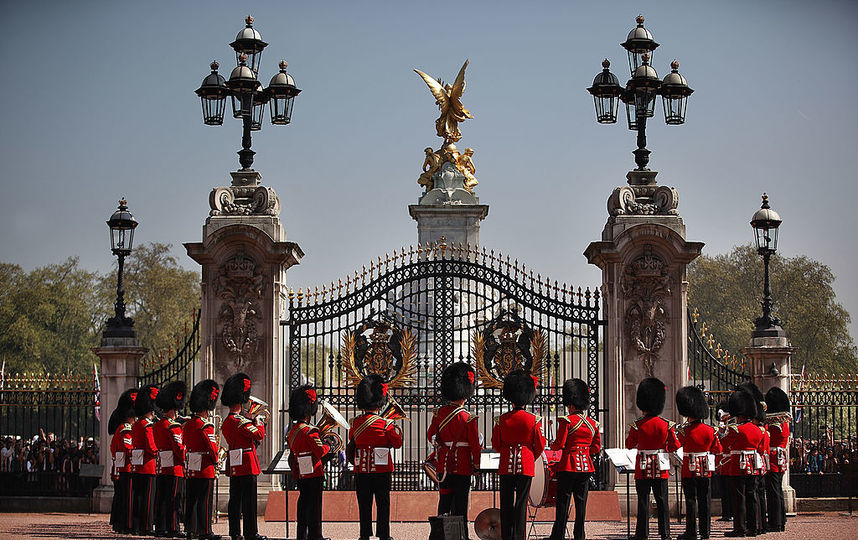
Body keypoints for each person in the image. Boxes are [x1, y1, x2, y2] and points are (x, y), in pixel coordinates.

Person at [491, 369, 546, 540]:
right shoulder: (533, 420)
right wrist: (529, 456)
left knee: (506, 505)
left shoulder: (501, 420)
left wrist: (507, 451)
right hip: (526, 466)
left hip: (506, 464)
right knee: (521, 505)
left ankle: (506, 536)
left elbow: (496, 444)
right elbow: (540, 445)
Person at [349, 374, 403, 540]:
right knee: (383, 504)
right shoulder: (385, 424)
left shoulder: (356, 423)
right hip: (382, 470)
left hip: (362, 470)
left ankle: (364, 535)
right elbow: (397, 443)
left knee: (364, 504)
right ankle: (384, 535)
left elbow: (354, 440)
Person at [625, 377, 680, 540]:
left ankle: (642, 534)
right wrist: (665, 448)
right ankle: (665, 533)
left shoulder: (637, 425)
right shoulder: (666, 425)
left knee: (643, 500)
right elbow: (675, 445)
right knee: (662, 500)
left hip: (642, 467)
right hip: (660, 467)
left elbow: (629, 444)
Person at [426, 362, 482, 519]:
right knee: (460, 505)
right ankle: (461, 535)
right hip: (463, 466)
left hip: (443, 465)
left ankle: (441, 534)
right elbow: (475, 447)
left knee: (444, 502)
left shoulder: (439, 414)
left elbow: (431, 436)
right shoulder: (468, 418)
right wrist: (476, 466)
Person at [547, 378, 601, 540]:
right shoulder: (593, 424)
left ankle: (559, 534)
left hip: (568, 466)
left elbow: (559, 444)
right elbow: (596, 447)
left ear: (570, 403)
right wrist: (584, 452)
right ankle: (580, 535)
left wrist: (552, 444)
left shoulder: (567, 421)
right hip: (586, 467)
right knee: (581, 503)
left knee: (563, 502)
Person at [221, 373, 267, 540]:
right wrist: (259, 420)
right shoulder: (241, 421)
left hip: (234, 463)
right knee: (249, 501)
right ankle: (250, 532)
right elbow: (260, 434)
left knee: (235, 500)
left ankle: (234, 532)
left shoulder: (227, 422)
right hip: (247, 463)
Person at [675, 385, 722, 540]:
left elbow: (673, 446)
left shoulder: (684, 431)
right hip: (705, 468)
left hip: (689, 470)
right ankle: (705, 532)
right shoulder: (710, 430)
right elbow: (718, 449)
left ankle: (691, 532)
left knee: (690, 502)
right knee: (705, 501)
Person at [287, 384, 332, 540]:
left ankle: (302, 534)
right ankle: (315, 535)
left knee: (303, 504)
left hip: (301, 471)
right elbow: (320, 451)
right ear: (308, 409)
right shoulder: (310, 431)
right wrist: (328, 445)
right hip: (314, 471)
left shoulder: (293, 431)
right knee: (314, 506)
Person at [721, 388, 765, 538]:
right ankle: (753, 528)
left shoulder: (736, 430)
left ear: (739, 415)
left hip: (738, 466)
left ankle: (739, 528)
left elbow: (723, 444)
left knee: (739, 497)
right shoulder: (758, 430)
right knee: (751, 496)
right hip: (753, 465)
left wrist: (723, 432)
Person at [184, 379, 221, 540]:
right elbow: (212, 448)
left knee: (191, 499)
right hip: (205, 466)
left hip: (192, 464)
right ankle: (205, 530)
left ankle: (190, 530)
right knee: (204, 500)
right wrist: (216, 460)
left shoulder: (189, 424)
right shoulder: (206, 425)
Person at [154, 380, 187, 538]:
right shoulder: (174, 426)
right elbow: (179, 449)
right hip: (174, 467)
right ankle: (173, 527)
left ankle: (160, 527)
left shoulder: (157, 425)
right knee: (174, 499)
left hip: (161, 466)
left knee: (161, 498)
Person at [130, 384, 160, 536]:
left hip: (137, 465)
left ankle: (136, 525)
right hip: (148, 465)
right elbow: (151, 446)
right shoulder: (147, 425)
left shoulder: (136, 424)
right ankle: (146, 526)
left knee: (138, 497)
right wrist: (158, 452)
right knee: (148, 498)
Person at [739, 382, 768, 535]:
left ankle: (752, 525)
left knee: (750, 495)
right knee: (756, 495)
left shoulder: (742, 429)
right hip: (757, 463)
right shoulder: (760, 430)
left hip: (748, 463)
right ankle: (758, 525)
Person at [109, 388, 137, 534]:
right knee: (126, 498)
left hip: (121, 468)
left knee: (121, 497)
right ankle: (125, 524)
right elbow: (129, 449)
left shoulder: (122, 428)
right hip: (127, 468)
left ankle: (120, 523)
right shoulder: (126, 429)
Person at [765, 386, 790, 533]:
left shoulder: (774, 426)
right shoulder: (784, 424)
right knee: (777, 491)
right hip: (780, 459)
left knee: (773, 492)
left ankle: (776, 522)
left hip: (774, 459)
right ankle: (781, 520)